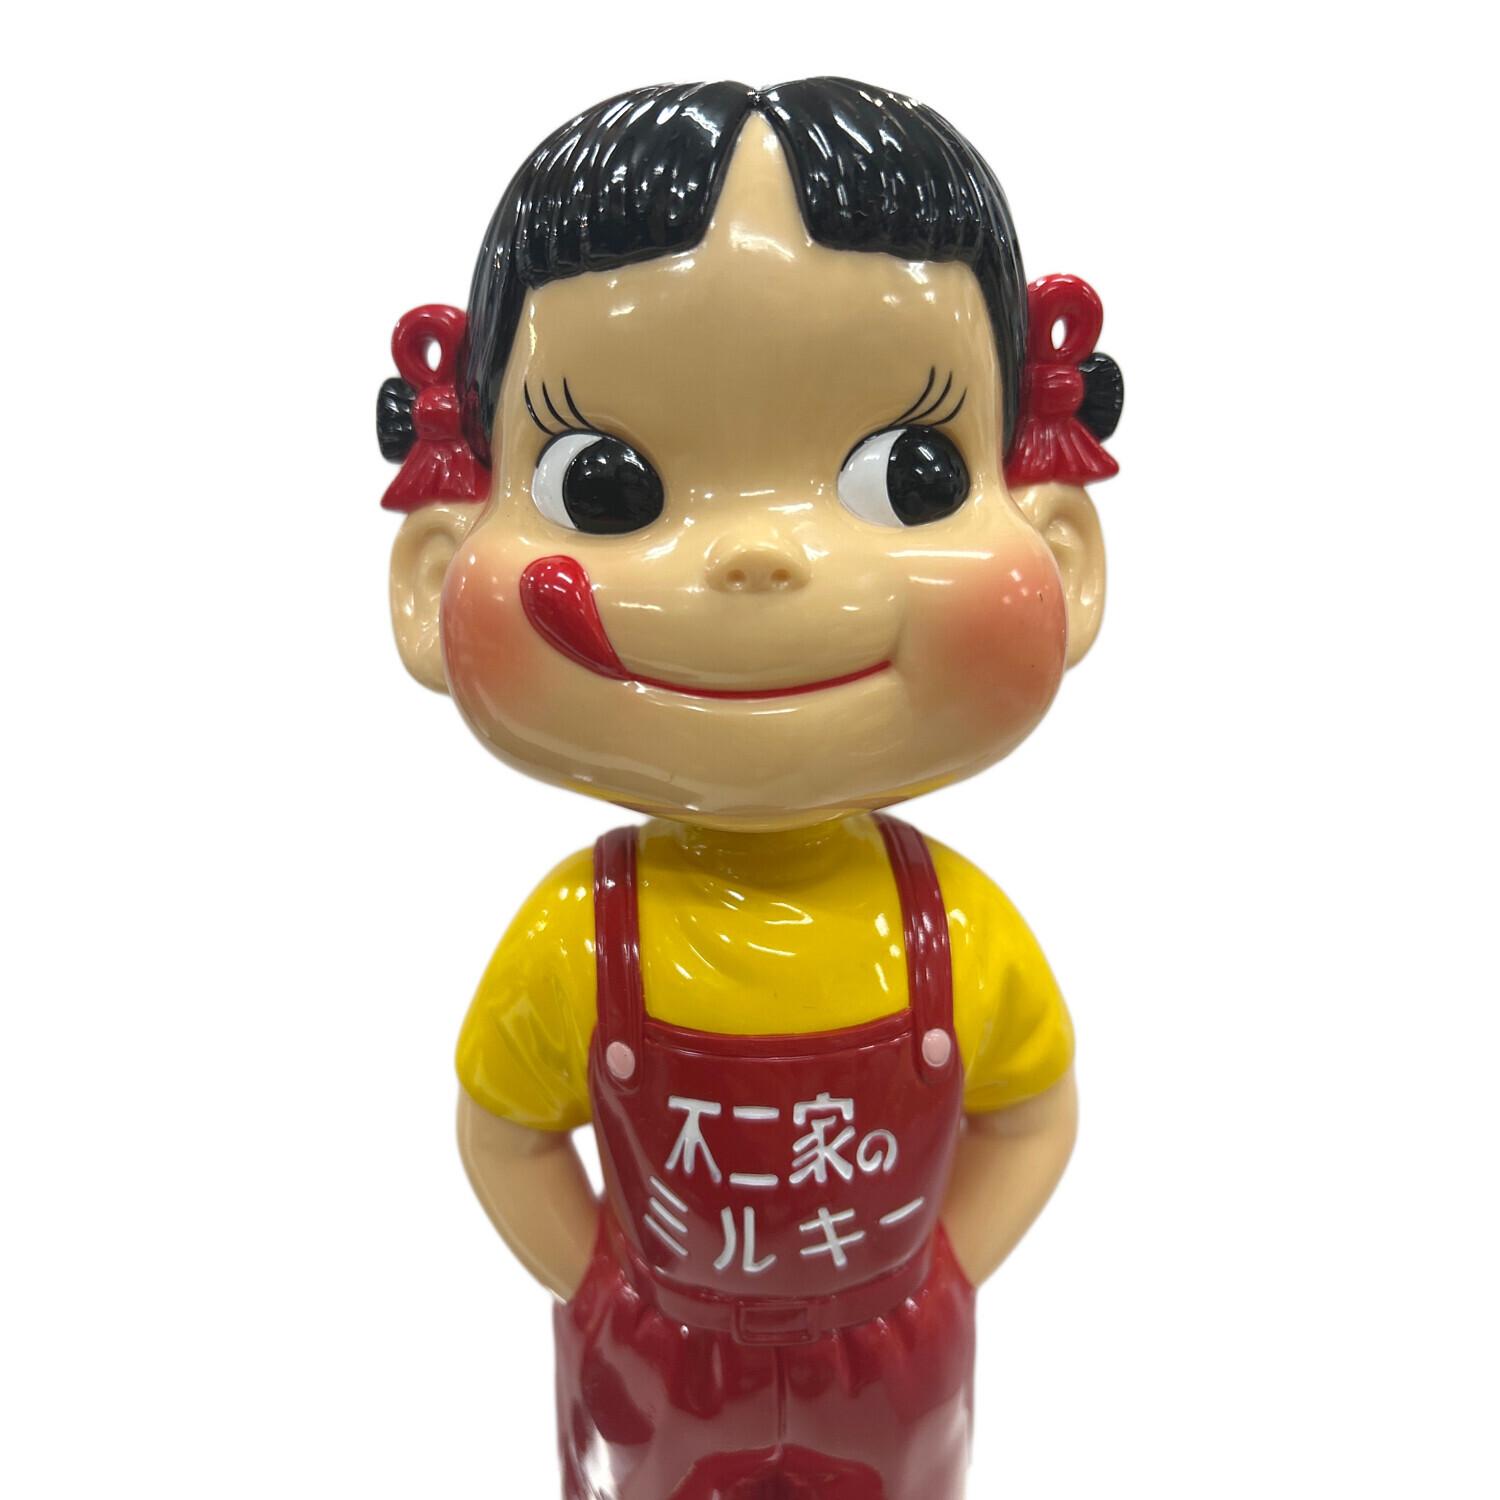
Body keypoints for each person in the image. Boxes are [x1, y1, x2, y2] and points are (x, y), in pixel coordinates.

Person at [377, 77, 1124, 1500]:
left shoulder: (954, 930)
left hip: (894, 1372)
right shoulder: (580, 938)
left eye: (908, 475)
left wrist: (937, 1274)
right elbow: (504, 1133)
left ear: (1066, 555)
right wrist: (606, 1284)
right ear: (432, 576)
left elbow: (1035, 1111)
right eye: (609, 486)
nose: (758, 558)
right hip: (656, 1372)